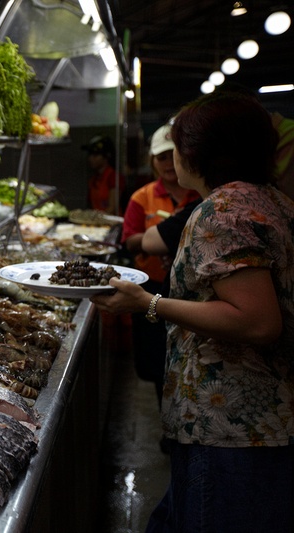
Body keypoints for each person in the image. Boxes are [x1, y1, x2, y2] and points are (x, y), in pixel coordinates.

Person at [91, 91, 294, 532]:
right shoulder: (270, 199)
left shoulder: (223, 212)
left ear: (200, 154)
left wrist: (149, 303)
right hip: (262, 420)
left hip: (233, 426)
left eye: (179, 145)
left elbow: (258, 321)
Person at [121, 123, 201, 407]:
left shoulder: (201, 193)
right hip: (152, 287)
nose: (168, 163)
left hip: (192, 292)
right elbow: (128, 240)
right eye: (161, 157)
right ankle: (168, 421)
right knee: (157, 362)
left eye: (173, 155)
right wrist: (156, 239)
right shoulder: (141, 197)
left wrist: (169, 237)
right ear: (152, 161)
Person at [82, 135, 122, 215]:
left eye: (95, 155)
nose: (91, 158)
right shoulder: (93, 179)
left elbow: (112, 208)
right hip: (97, 224)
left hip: (112, 223)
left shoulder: (113, 177)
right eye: (90, 155)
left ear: (106, 156)